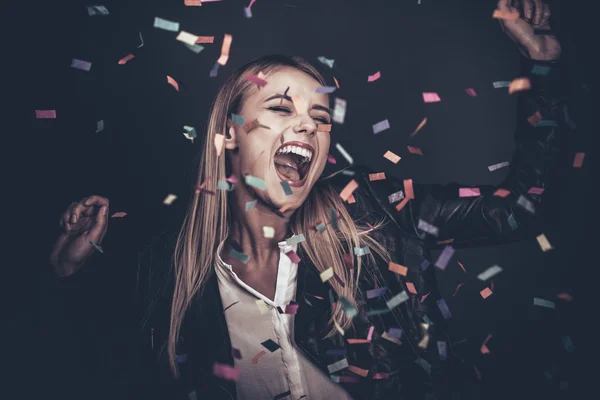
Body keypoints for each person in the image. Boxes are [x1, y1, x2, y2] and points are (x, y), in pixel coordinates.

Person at [49, 1, 570, 399]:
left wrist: (542, 67)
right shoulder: (169, 269)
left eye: (320, 119)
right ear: (227, 135)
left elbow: (523, 209)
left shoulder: (373, 210)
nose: (308, 124)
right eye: (281, 108)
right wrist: (69, 273)